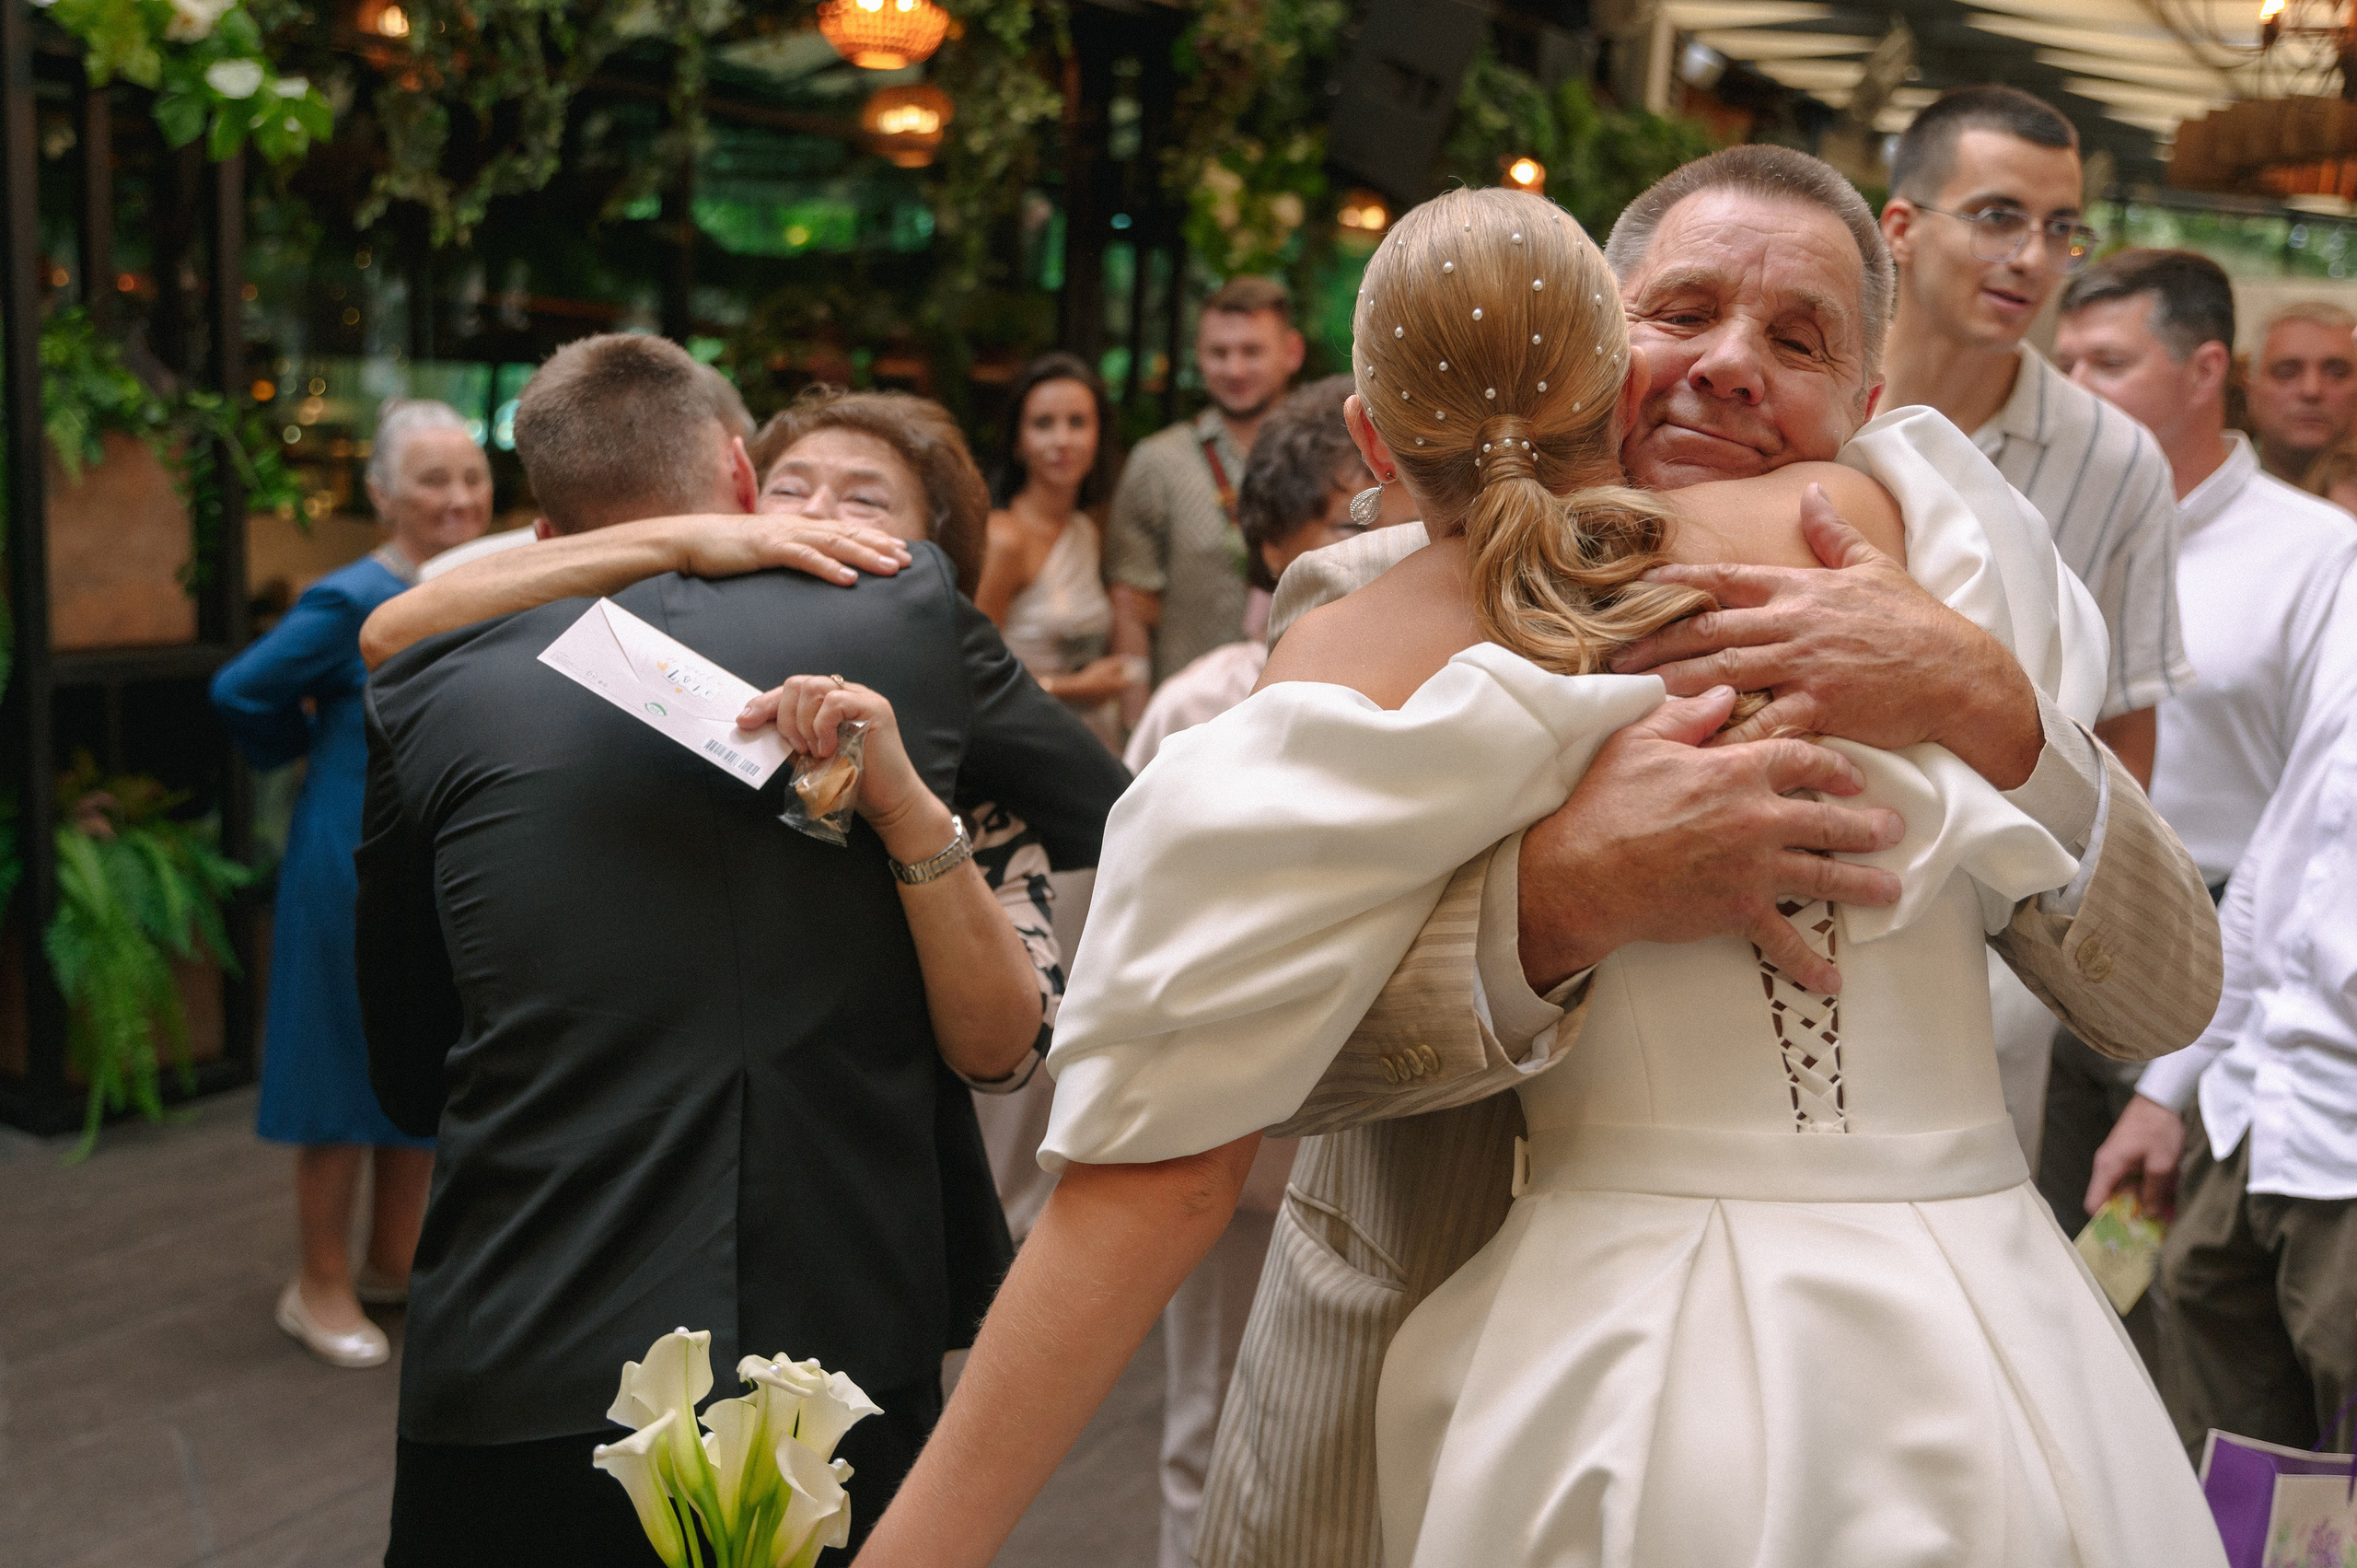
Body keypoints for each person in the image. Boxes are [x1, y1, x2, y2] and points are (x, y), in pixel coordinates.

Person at [854, 182, 2223, 1568]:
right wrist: (1558, 902)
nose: (1735, 360)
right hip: (1484, 1361)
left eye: (1797, 341)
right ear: (1598, 347)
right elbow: (1272, 1069)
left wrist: (1990, 701)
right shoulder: (1368, 621)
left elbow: (2171, 992)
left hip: (1960, 1325)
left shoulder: (1927, 564)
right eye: (1684, 313)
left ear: (1866, 391)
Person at [360, 335, 1127, 1567]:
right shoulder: (907, 609)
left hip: (525, 1327)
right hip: (832, 1339)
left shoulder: (432, 670)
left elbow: (403, 1067)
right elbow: (1109, 806)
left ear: (543, 523)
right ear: (739, 469)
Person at [1875, 84, 2197, 1179]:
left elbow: (2124, 739)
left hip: (1987, 953)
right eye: (1998, 215)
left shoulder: (2114, 460)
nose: (2031, 256)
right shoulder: (1797, 390)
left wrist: (2048, 944)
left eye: (2060, 228)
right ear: (1901, 228)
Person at [1123, 373, 1416, 1568]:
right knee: (1213, 1407)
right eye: (1310, 567)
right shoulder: (1199, 707)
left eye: (1369, 544)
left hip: (1390, 1143)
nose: (1346, 586)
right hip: (1231, 1148)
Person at [2056, 252, 2357, 1241]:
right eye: (2064, 363)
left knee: (2166, 1307)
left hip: (2222, 973)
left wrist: (2189, 1064)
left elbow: (2314, 817)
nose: (2073, 392)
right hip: (2052, 942)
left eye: (2106, 363)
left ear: (2203, 372)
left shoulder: (2320, 553)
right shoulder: (2049, 535)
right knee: (2048, 1268)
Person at [208, 399, 489, 1370]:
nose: (456, 497)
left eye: (470, 476)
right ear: (380, 492)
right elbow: (240, 690)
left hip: (438, 843)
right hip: (346, 844)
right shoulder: (346, 597)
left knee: (418, 1053)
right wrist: (305, 748)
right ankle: (316, 1281)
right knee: (336, 1063)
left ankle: (390, 1260)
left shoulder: (486, 579)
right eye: (431, 479)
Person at [1125, 376, 1417, 770]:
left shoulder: (1453, 691)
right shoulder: (1197, 708)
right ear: (1274, 545)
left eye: (1416, 531)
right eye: (1355, 528)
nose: (1393, 552)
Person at [1106, 276, 1306, 703]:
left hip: (1299, 710)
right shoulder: (1158, 462)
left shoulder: (1327, 459)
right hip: (1188, 718)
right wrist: (1137, 726)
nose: (1234, 369)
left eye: (1252, 352)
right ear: (1198, 355)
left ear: (1292, 352)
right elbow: (1131, 602)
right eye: (1218, 353)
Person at [418, 361, 755, 582]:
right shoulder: (795, 616)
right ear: (743, 477)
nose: (460, 499)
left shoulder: (450, 587)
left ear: (549, 536)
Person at [974, 353, 1135, 749]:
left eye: (1077, 423)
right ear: (1017, 442)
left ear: (1098, 437)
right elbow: (971, 672)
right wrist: (1071, 687)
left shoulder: (1086, 529)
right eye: (1043, 424)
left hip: (1089, 737)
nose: (1062, 440)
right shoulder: (1004, 539)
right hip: (1022, 743)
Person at [2243, 300, 2357, 489]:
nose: (2311, 390)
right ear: (2250, 391)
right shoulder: (2206, 491)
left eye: (2337, 373)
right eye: (2286, 373)